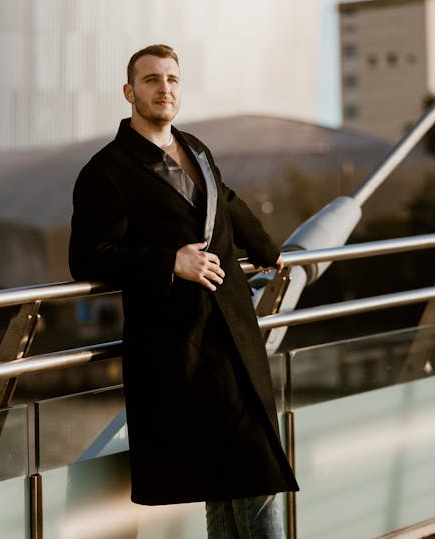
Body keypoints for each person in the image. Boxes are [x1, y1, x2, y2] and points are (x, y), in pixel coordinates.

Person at [69, 44, 298, 538]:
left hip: (234, 331)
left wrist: (266, 248)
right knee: (252, 468)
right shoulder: (105, 171)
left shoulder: (195, 147)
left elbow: (224, 200)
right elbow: (86, 258)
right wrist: (169, 261)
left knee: (232, 474)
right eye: (151, 80)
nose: (164, 88)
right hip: (181, 347)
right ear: (129, 92)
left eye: (172, 79)